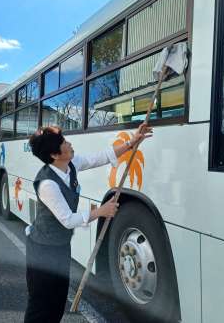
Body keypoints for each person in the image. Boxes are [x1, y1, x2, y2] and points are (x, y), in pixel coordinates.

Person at [24, 123, 153, 323]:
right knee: (41, 305)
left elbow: (99, 157)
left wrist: (132, 142)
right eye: (64, 142)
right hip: (42, 250)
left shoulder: (70, 165)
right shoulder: (47, 184)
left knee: (57, 303)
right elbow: (67, 220)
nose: (69, 143)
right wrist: (100, 211)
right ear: (55, 155)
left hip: (59, 247)